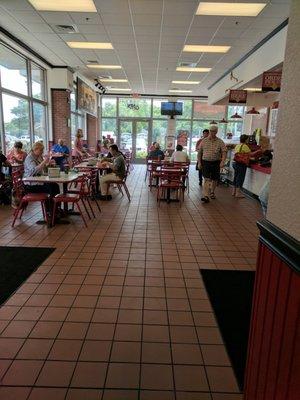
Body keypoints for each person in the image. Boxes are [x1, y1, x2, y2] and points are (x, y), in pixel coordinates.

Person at [24, 142, 60, 213]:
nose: (42, 152)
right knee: (51, 188)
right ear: (35, 149)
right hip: (30, 185)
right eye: (41, 150)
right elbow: (33, 171)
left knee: (55, 185)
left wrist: (48, 163)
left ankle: (56, 208)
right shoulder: (29, 158)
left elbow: (42, 170)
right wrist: (44, 162)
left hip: (38, 182)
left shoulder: (38, 156)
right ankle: (50, 211)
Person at [198, 125, 227, 203]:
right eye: (210, 131)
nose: (211, 132)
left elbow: (224, 152)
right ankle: (206, 195)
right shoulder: (203, 141)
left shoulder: (220, 141)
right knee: (206, 179)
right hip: (206, 162)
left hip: (216, 162)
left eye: (213, 131)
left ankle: (212, 192)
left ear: (216, 132)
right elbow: (199, 152)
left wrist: (222, 161)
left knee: (214, 179)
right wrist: (199, 163)